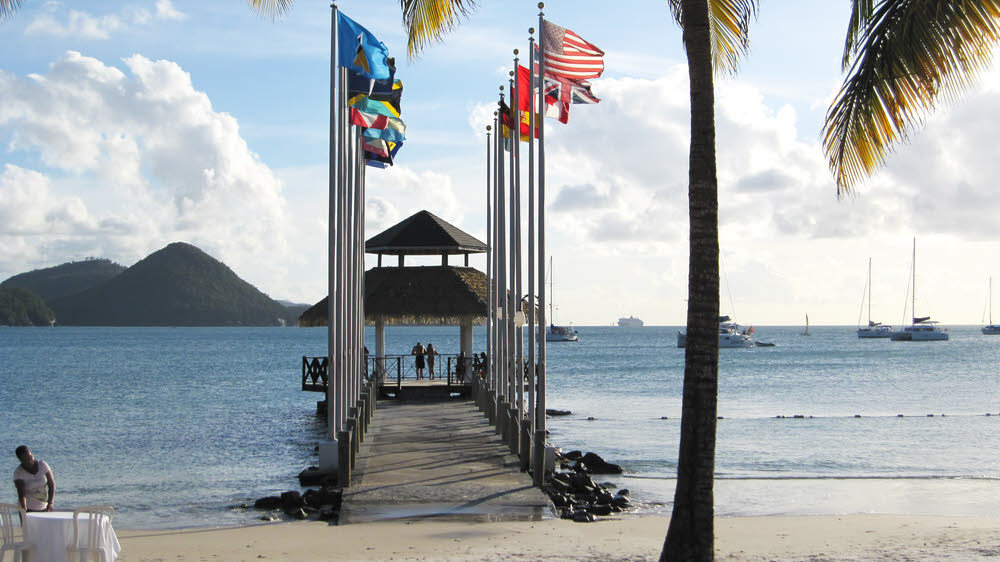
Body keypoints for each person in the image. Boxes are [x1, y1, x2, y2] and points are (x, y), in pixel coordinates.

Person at [13, 445, 55, 512]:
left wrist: (50, 503)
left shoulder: (43, 465)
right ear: (20, 460)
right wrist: (24, 510)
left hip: (45, 506)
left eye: (30, 457)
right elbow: (21, 494)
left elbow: (51, 485)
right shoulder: (18, 473)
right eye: (25, 460)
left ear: (32, 454)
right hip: (28, 508)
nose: (29, 461)